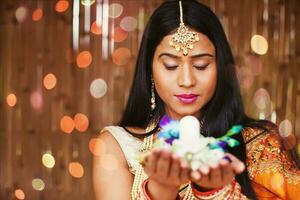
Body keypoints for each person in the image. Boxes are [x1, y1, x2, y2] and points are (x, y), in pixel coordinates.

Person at [93, 0, 300, 199]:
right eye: (171, 66)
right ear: (150, 71)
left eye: (201, 65)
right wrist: (161, 190)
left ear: (220, 68)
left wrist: (217, 193)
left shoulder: (260, 143)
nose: (186, 80)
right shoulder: (119, 146)